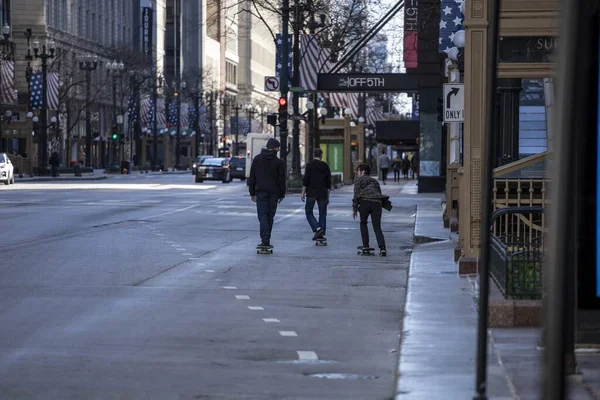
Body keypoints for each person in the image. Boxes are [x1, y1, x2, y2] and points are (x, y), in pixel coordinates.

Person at [248, 138, 286, 248]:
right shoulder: (278, 162)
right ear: (275, 148)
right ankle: (266, 239)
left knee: (262, 216)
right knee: (270, 216)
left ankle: (265, 239)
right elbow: (281, 180)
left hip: (261, 192)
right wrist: (282, 194)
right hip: (274, 193)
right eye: (277, 148)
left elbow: (252, 177)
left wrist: (252, 193)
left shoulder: (257, 159)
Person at [352, 163, 388, 256]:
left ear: (362, 171)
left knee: (363, 223)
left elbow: (356, 195)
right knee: (377, 227)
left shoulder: (358, 180)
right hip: (377, 203)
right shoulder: (375, 181)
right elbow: (379, 193)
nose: (357, 173)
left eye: (358, 171)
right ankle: (383, 248)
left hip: (365, 202)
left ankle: (365, 246)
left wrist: (355, 209)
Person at [301, 148, 332, 240]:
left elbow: (306, 179)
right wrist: (328, 196)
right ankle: (321, 233)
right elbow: (328, 183)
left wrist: (303, 192)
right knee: (322, 213)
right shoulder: (325, 166)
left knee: (308, 211)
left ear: (313, 155)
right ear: (321, 155)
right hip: (322, 193)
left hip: (311, 192)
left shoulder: (309, 165)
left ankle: (317, 228)